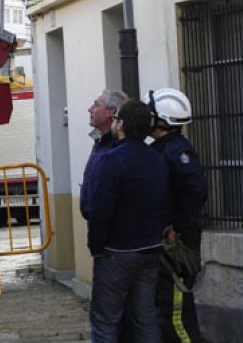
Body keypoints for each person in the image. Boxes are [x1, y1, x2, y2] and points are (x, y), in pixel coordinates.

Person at [88, 99, 169, 343]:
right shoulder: (156, 158)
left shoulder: (112, 160)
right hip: (150, 248)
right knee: (145, 317)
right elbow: (164, 201)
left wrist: (96, 245)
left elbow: (100, 208)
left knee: (106, 319)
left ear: (121, 124)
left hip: (117, 250)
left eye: (116, 119)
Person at [144, 88, 208, 343]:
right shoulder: (163, 148)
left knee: (177, 314)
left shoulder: (176, 151)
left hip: (177, 246)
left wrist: (177, 226)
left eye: (151, 113)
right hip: (168, 242)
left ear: (163, 119)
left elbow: (197, 188)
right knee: (166, 309)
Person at [80, 89, 128, 221]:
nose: (90, 109)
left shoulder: (118, 147)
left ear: (111, 112)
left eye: (96, 105)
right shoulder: (100, 142)